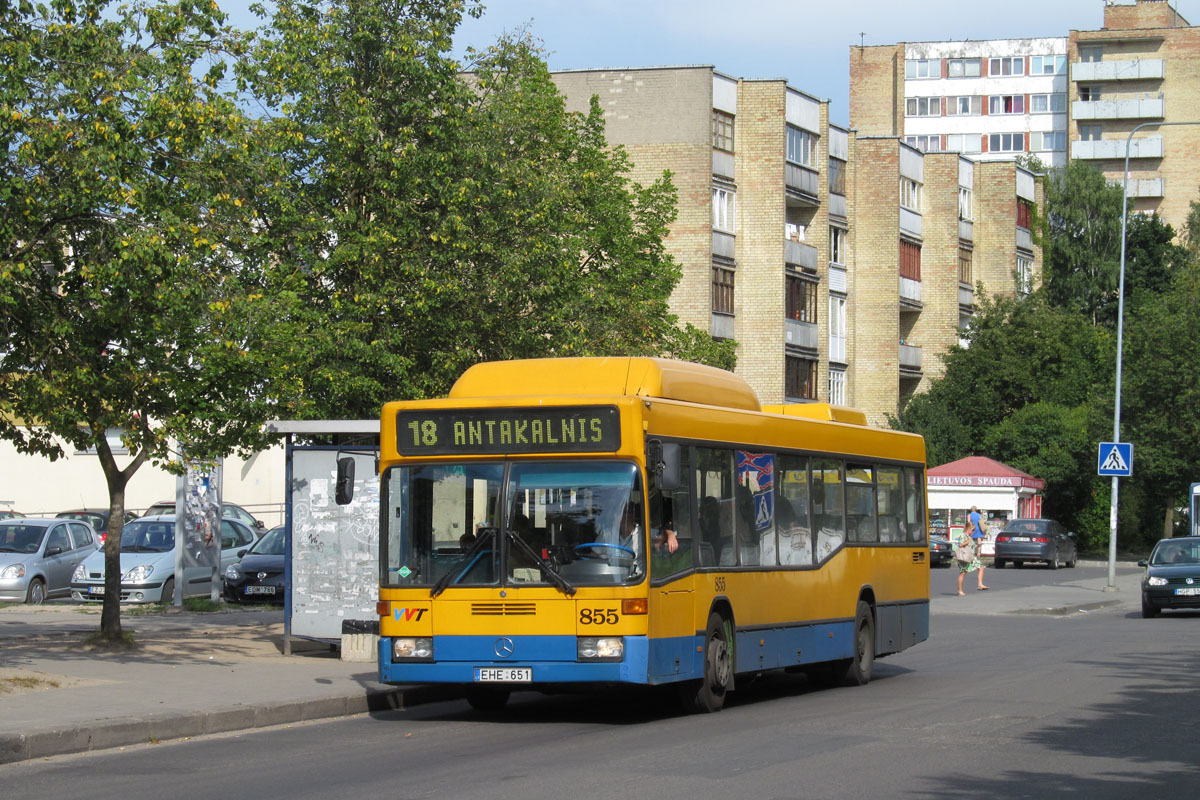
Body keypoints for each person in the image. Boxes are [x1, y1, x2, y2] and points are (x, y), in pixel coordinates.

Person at [956, 520, 988, 595]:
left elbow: (971, 546)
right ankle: (960, 590)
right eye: (973, 530)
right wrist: (968, 541)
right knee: (963, 573)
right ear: (968, 529)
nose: (973, 532)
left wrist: (978, 545)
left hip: (971, 557)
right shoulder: (963, 535)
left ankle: (980, 585)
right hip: (964, 557)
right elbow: (960, 545)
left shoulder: (968, 537)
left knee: (981, 567)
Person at [969, 506, 988, 590]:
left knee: (971, 539)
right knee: (979, 539)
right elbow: (982, 521)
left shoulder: (969, 515)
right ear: (976, 509)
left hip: (973, 528)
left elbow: (968, 522)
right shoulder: (978, 515)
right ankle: (979, 552)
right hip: (979, 528)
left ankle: (972, 550)